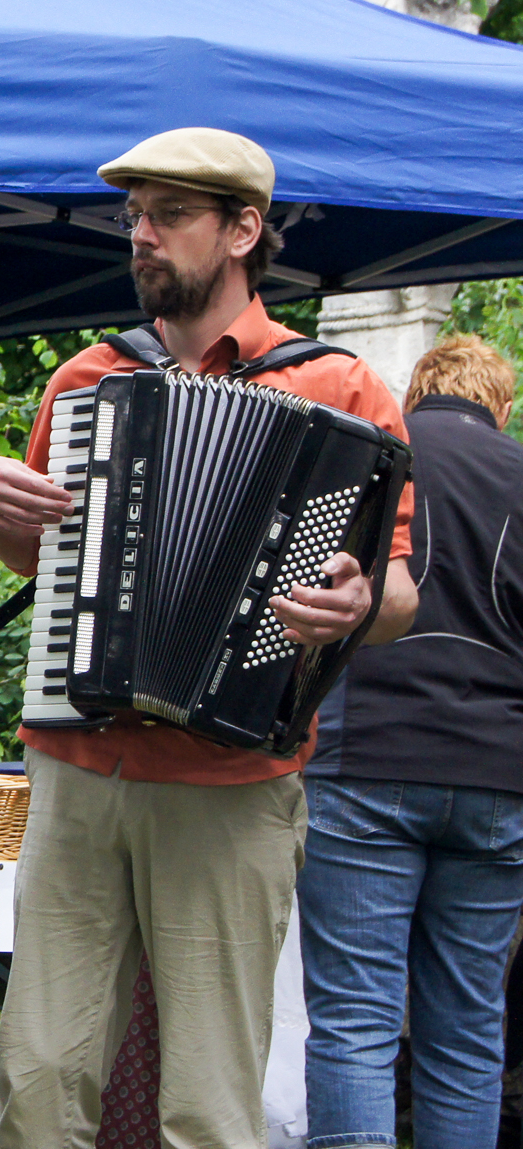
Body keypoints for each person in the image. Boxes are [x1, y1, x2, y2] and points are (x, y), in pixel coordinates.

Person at [0, 127, 419, 1148]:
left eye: (168, 215)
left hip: (230, 781)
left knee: (207, 1101)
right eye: (134, 216)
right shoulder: (87, 377)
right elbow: (40, 558)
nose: (141, 236)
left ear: (242, 231)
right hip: (78, 764)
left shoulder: (337, 388)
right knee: (37, 1077)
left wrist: (354, 602)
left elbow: (396, 590)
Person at [299, 335, 523, 1149]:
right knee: (467, 1029)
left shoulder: (377, 453)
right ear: (501, 405)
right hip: (498, 774)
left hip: (368, 755)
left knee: (355, 1020)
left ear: (416, 392)